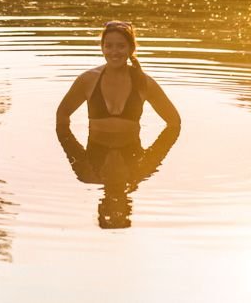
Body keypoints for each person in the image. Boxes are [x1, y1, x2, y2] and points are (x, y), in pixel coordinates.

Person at [55, 20, 181, 228]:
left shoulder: (143, 82)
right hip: (97, 144)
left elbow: (174, 122)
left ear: (131, 48)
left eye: (121, 46)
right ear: (102, 48)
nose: (115, 52)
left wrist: (157, 149)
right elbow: (62, 116)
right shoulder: (88, 80)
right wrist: (69, 142)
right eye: (109, 45)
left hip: (130, 145)